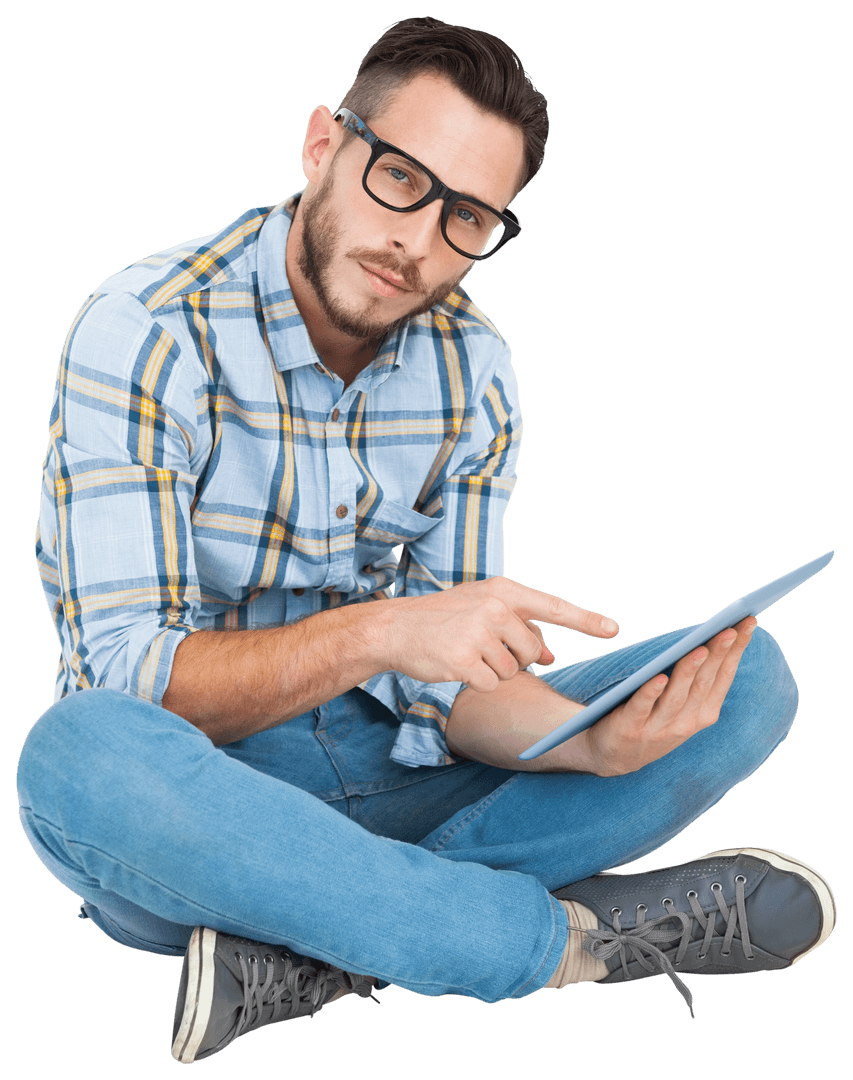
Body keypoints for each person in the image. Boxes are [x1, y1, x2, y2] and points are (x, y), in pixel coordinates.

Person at [16, 16, 835, 1064]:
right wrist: (384, 633)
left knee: (749, 681)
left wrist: (583, 743)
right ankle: (561, 942)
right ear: (324, 147)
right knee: (77, 757)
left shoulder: (473, 370)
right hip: (203, 807)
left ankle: (330, 942)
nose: (420, 240)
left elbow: (445, 691)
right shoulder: (144, 329)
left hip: (394, 772)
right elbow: (135, 681)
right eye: (400, 179)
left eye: (469, 218)